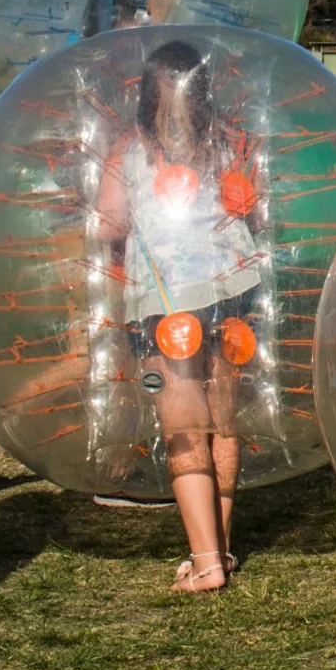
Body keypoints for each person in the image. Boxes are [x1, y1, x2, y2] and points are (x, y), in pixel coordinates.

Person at [0, 0, 190, 504]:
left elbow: (163, 2)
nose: (141, 37)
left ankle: (119, 459)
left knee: (126, 348)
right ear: (107, 32)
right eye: (130, 29)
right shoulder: (89, 80)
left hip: (127, 236)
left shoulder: (129, 75)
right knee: (96, 352)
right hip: (91, 237)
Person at [89, 39, 265, 591]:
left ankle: (207, 561)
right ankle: (220, 549)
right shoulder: (227, 143)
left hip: (168, 300)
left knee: (184, 429)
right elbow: (253, 214)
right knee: (221, 421)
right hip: (235, 286)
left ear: (145, 94)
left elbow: (109, 224)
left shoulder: (131, 149)